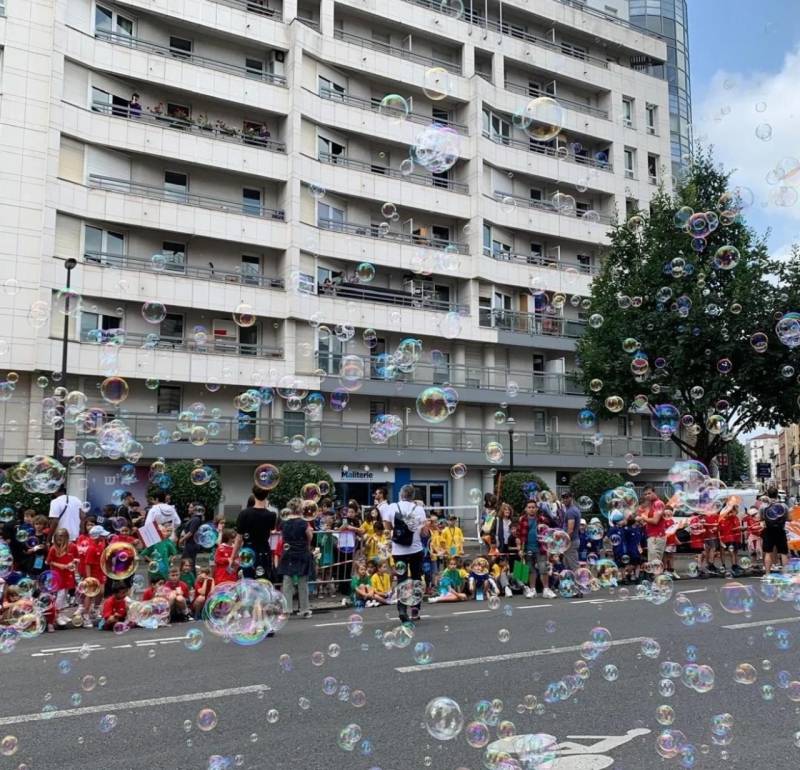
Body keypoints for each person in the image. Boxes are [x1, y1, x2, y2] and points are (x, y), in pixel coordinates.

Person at [380, 484, 429, 623]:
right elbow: (425, 533)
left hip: (398, 550)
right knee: (416, 578)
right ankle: (415, 610)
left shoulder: (392, 507)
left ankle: (402, 609)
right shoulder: (419, 509)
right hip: (416, 549)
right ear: (413, 496)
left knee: (401, 579)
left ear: (401, 494)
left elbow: (387, 528)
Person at [232, 486, 278, 580]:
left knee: (248, 580)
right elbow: (270, 531)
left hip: (247, 550)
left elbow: (239, 538)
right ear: (267, 495)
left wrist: (233, 556)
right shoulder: (271, 515)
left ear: (253, 494)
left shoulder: (244, 513)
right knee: (263, 580)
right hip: (264, 550)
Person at [277, 505, 314, 618]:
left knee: (287, 581)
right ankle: (304, 610)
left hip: (288, 553)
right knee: (302, 581)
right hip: (302, 552)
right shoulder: (303, 523)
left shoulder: (284, 522)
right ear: (299, 509)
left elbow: (282, 535)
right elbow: (310, 537)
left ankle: (286, 610)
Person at [637, 486, 667, 569]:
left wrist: (643, 517)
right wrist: (641, 521)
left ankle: (657, 577)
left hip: (657, 536)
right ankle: (656, 577)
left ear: (654, 492)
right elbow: (650, 522)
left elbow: (655, 521)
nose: (647, 496)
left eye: (649, 493)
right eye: (645, 494)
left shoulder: (658, 503)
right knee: (653, 563)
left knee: (655, 563)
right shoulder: (652, 504)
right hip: (653, 536)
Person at [559, 491, 582, 593]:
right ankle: (572, 588)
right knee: (568, 566)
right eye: (563, 497)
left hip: (571, 542)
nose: (565, 499)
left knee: (573, 566)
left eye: (567, 497)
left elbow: (570, 529)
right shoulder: (574, 509)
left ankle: (579, 588)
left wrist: (565, 542)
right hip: (573, 541)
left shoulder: (571, 512)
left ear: (571, 498)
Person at [762, 487, 789, 574]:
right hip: (780, 530)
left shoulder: (763, 506)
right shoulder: (784, 506)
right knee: (783, 552)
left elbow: (760, 518)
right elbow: (788, 518)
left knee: (768, 552)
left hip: (768, 530)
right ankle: (785, 573)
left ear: (767, 495)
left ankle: (767, 573)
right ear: (777, 494)